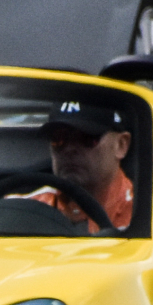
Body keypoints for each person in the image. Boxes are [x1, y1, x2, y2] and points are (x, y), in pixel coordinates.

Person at [11, 97, 138, 233]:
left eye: (87, 138)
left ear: (121, 145)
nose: (69, 149)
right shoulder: (19, 210)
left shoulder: (147, 217)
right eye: (58, 139)